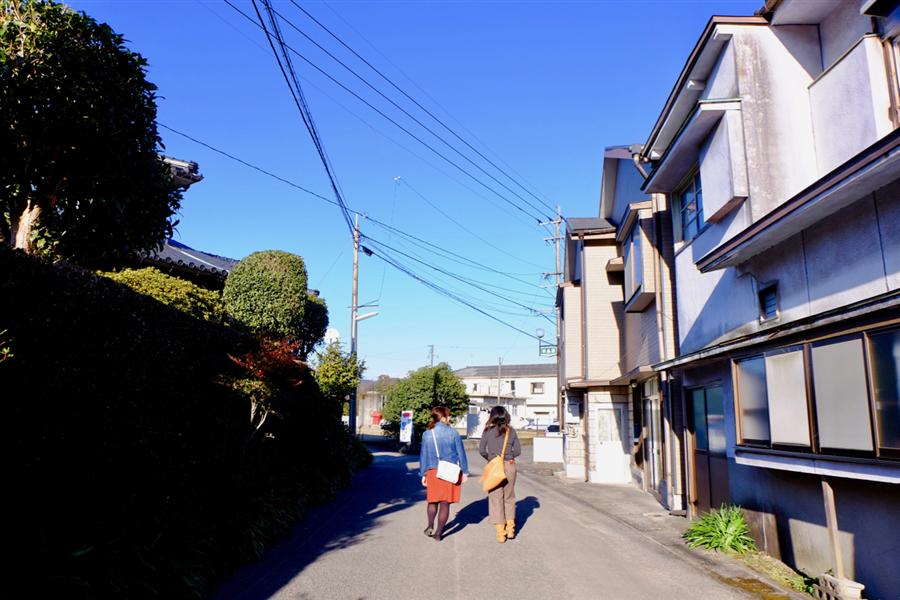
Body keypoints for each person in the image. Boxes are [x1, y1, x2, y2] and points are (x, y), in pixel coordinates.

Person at [419, 406, 468, 541]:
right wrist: (465, 472)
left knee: (432, 501)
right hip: (449, 471)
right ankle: (439, 534)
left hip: (433, 471)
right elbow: (461, 454)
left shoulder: (427, 434)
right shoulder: (454, 433)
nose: (450, 418)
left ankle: (430, 525)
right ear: (442, 417)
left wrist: (423, 474)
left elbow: (424, 455)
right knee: (445, 503)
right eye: (448, 415)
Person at [479, 406, 521, 543]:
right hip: (509, 465)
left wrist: (492, 460)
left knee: (496, 499)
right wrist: (508, 457)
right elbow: (518, 451)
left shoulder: (487, 431)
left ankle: (500, 534)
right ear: (506, 416)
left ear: (492, 416)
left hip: (494, 467)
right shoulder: (511, 431)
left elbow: (481, 450)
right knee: (509, 498)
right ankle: (510, 530)